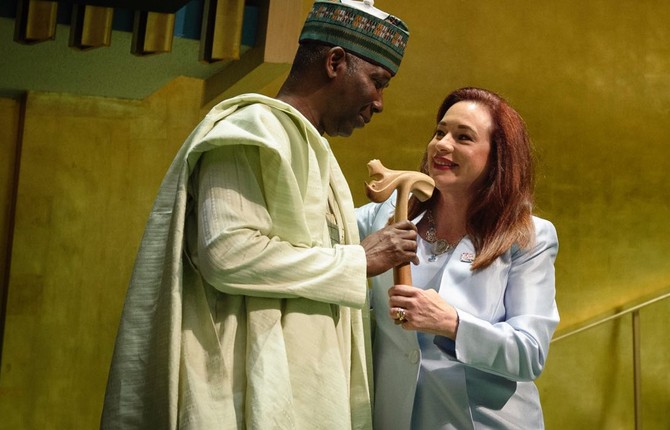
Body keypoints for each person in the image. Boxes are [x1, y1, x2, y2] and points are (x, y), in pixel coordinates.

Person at [101, 1, 414, 428]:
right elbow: (227, 253)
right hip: (242, 393)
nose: (378, 103)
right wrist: (358, 260)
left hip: (298, 392)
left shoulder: (316, 152)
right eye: (378, 82)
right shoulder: (253, 128)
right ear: (335, 62)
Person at [356, 87, 560, 429]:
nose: (442, 144)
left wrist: (451, 323)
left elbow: (529, 352)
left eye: (463, 137)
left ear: (497, 157)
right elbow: (319, 228)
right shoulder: (384, 215)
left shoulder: (529, 237)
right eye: (440, 132)